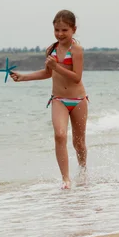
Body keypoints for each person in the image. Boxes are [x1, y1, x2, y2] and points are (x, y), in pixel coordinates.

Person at [10, 10, 88, 189]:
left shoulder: (76, 49)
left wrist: (56, 66)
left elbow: (76, 77)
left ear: (74, 29)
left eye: (64, 30)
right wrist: (23, 77)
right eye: (57, 30)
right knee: (60, 135)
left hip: (78, 100)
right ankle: (66, 179)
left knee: (79, 143)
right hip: (58, 99)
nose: (60, 34)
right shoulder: (51, 50)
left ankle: (83, 171)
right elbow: (47, 73)